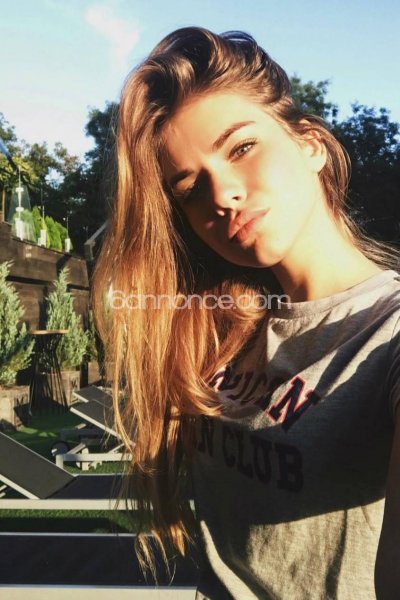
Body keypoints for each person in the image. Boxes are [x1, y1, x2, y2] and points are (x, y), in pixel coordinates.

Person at [92, 27, 400, 599]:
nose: (222, 195)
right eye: (190, 188)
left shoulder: (386, 335)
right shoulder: (217, 322)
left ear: (310, 145)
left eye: (241, 148)